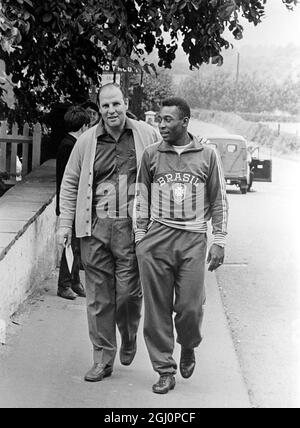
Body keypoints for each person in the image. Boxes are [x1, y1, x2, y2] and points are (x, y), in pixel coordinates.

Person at [57, 83, 160, 382]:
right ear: (98, 109)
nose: (112, 111)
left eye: (116, 104)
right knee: (99, 297)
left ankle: (128, 336)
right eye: (106, 106)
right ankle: (103, 358)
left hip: (133, 229)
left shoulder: (146, 134)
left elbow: (163, 169)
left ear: (126, 103)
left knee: (128, 295)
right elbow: (70, 183)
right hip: (94, 229)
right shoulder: (87, 141)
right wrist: (65, 225)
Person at [134, 97, 229, 394]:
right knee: (156, 310)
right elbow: (140, 196)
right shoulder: (151, 154)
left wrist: (220, 240)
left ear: (184, 121)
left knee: (190, 307)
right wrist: (140, 238)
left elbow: (218, 199)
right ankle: (164, 369)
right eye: (159, 119)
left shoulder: (207, 154)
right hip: (157, 239)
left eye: (168, 120)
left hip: (193, 240)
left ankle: (188, 345)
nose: (161, 125)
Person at [56, 106, 90, 300]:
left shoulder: (68, 143)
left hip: (76, 204)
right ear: (84, 126)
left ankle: (75, 280)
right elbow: (69, 180)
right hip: (71, 204)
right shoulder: (70, 146)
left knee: (77, 245)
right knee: (71, 245)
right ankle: (64, 283)